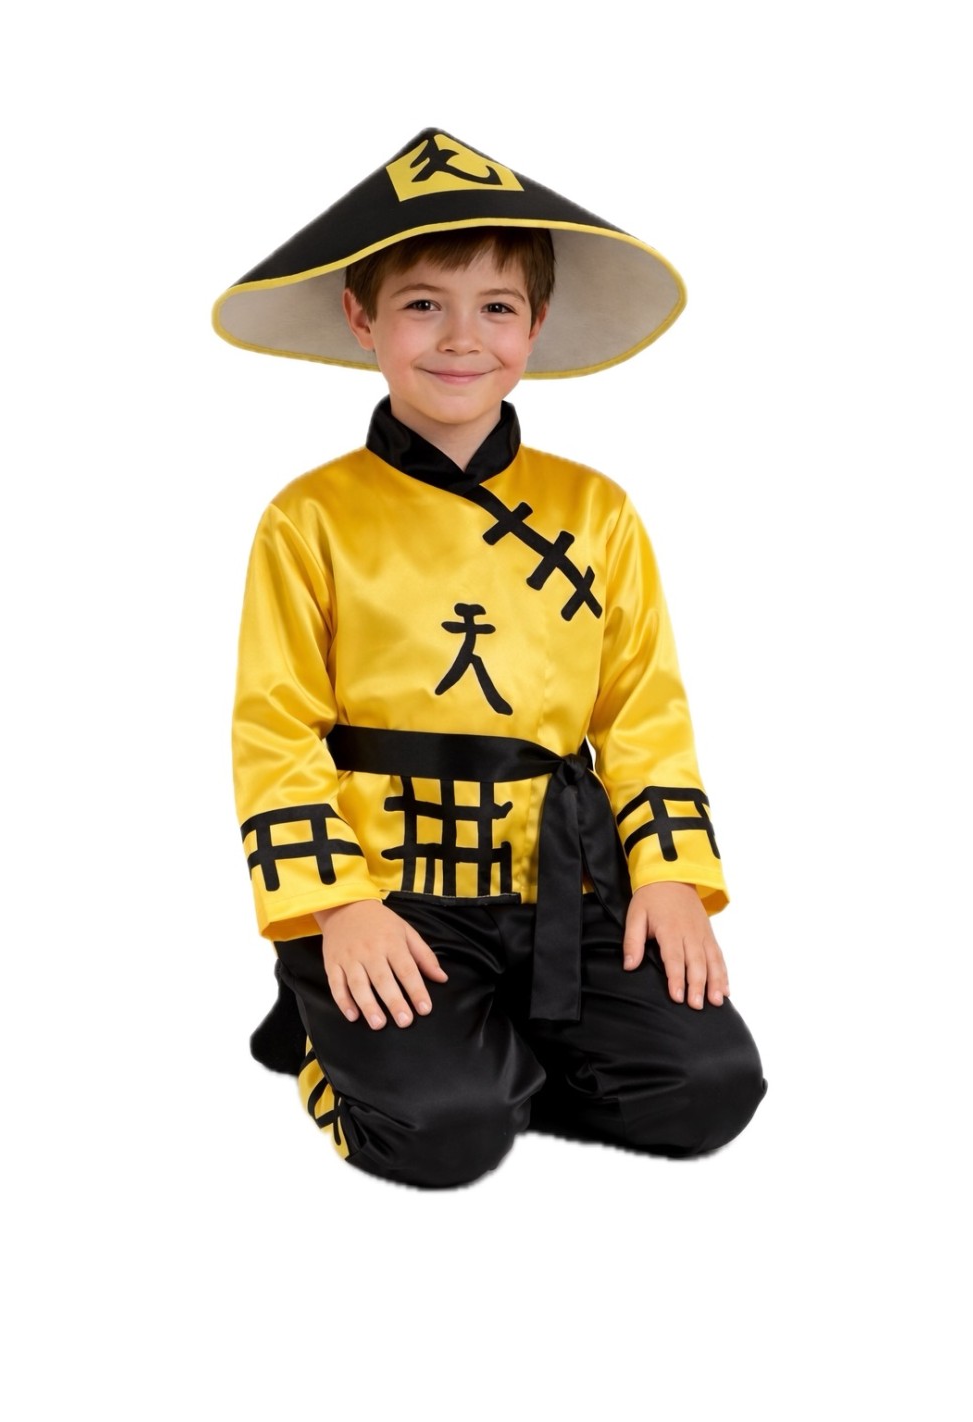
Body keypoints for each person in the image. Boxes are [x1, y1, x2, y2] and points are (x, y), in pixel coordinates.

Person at [214, 128, 767, 1187]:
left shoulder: (596, 511)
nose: (461, 339)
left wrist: (669, 877)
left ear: (535, 326)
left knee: (709, 1090)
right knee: (444, 1137)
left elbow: (641, 711)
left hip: (566, 883)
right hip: (389, 890)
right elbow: (275, 729)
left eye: (497, 308)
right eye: (424, 303)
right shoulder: (309, 518)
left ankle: (491, 1060)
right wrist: (339, 905)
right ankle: (339, 1045)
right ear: (362, 318)